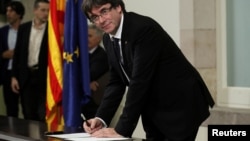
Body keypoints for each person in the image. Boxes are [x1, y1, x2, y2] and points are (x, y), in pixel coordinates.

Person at [81, 0, 215, 141]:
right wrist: (101, 118)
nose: (101, 20)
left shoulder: (142, 29)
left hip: (180, 105)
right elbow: (116, 82)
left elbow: (139, 81)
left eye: (104, 11)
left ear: (118, 7)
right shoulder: (108, 39)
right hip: (153, 107)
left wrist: (121, 129)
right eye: (95, 17)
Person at [11, 0, 49, 122]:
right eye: (43, 10)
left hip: (43, 76)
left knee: (43, 113)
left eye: (48, 10)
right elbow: (17, 54)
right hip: (26, 76)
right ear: (35, 10)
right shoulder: (24, 28)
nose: (46, 13)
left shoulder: (52, 30)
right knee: (28, 112)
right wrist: (14, 76)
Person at [0, 1, 25, 117]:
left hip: (24, 73)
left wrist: (18, 54)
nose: (8, 14)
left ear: (19, 14)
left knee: (28, 107)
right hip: (7, 73)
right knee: (11, 107)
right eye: (7, 11)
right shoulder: (3, 31)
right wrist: (3, 54)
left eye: (11, 11)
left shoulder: (26, 30)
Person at [81, 24, 109, 119]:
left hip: (92, 102)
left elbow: (88, 75)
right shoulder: (78, 53)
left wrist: (87, 82)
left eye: (89, 36)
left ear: (99, 39)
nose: (86, 38)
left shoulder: (102, 56)